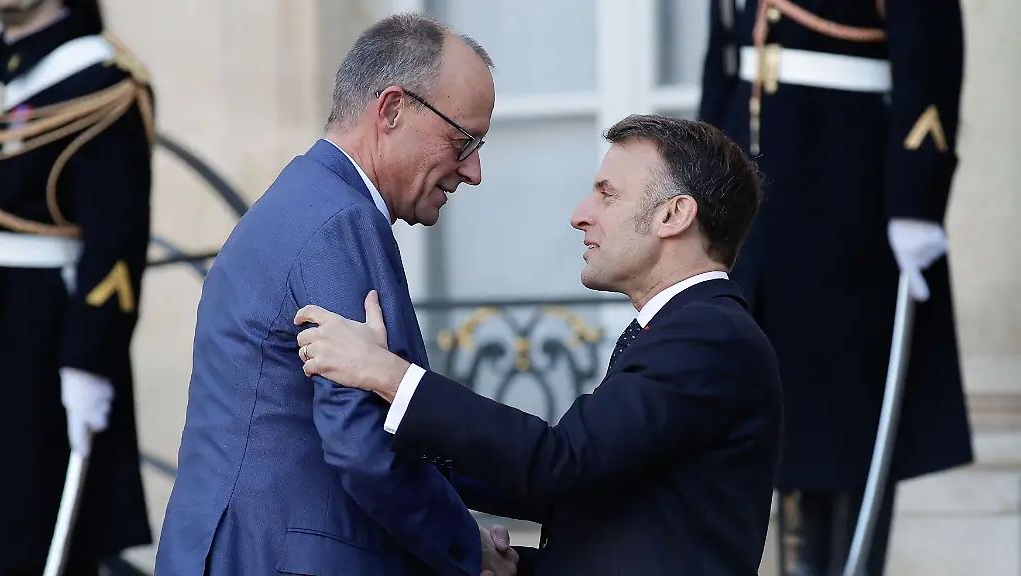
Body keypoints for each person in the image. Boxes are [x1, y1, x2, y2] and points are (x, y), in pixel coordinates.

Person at [292, 114, 784, 576]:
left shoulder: (707, 336)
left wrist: (385, 375)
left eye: (607, 195)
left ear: (673, 215)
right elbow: (606, 497)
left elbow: (563, 462)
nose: (580, 216)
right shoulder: (693, 329)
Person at [156, 13, 519, 576]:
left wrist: (554, 479)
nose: (472, 171)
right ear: (392, 110)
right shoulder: (339, 222)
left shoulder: (306, 199)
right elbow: (365, 446)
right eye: (462, 140)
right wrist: (468, 552)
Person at [697, 0, 973, 574]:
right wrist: (700, 179)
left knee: (846, 419)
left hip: (846, 181)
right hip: (756, 189)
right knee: (775, 413)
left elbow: (929, 44)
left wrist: (916, 197)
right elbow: (725, 46)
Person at [0, 0, 154, 574]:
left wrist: (88, 360)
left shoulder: (101, 81)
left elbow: (116, 241)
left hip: (38, 338)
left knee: (29, 524)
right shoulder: (7, 70)